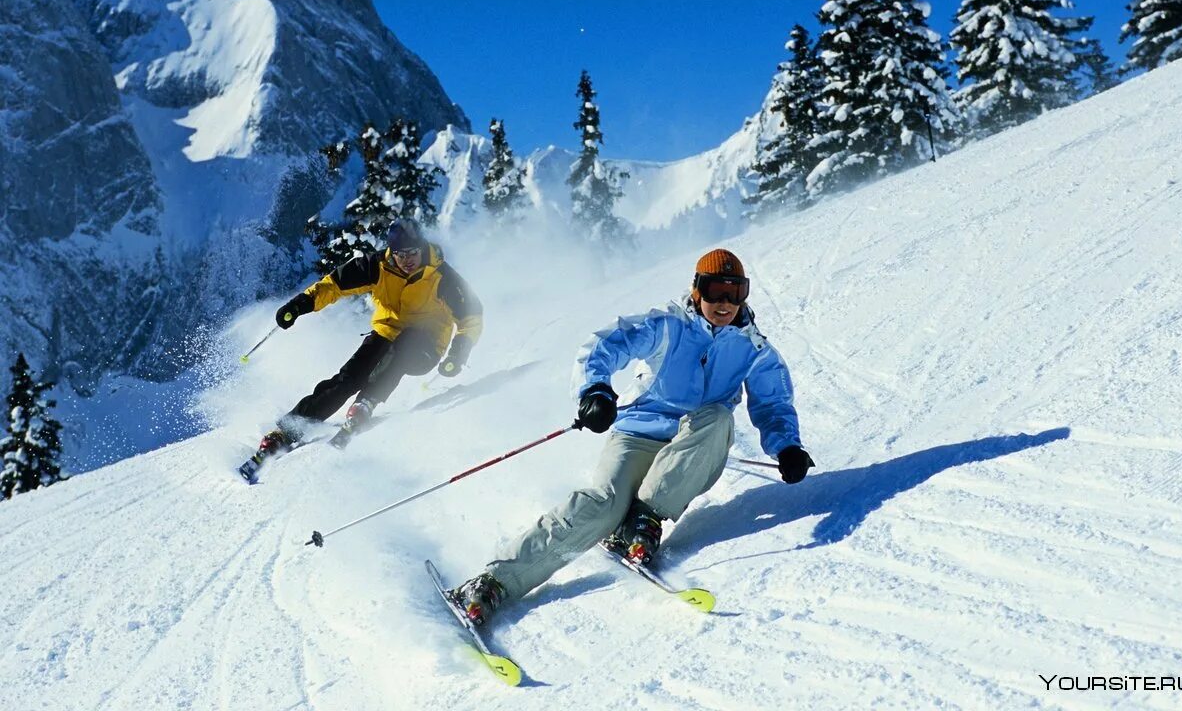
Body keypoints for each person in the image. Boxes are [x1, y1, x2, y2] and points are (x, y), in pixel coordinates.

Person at [450, 248, 813, 625]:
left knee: (719, 418)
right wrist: (596, 390)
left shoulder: (753, 348)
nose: (724, 303)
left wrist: (787, 446)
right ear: (696, 290)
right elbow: (606, 344)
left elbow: (774, 403)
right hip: (638, 434)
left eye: (734, 293)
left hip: (694, 446)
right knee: (603, 505)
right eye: (714, 291)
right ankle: (493, 584)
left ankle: (644, 519)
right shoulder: (669, 327)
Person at [251, 219, 483, 463]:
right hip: (386, 334)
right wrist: (300, 305)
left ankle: (366, 403)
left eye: (412, 253)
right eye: (400, 254)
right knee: (348, 378)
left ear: (422, 247)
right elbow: (334, 285)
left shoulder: (441, 276)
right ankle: (287, 431)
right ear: (391, 252)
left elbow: (472, 317)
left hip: (426, 345)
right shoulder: (377, 266)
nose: (407, 260)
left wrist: (458, 354)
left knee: (402, 349)